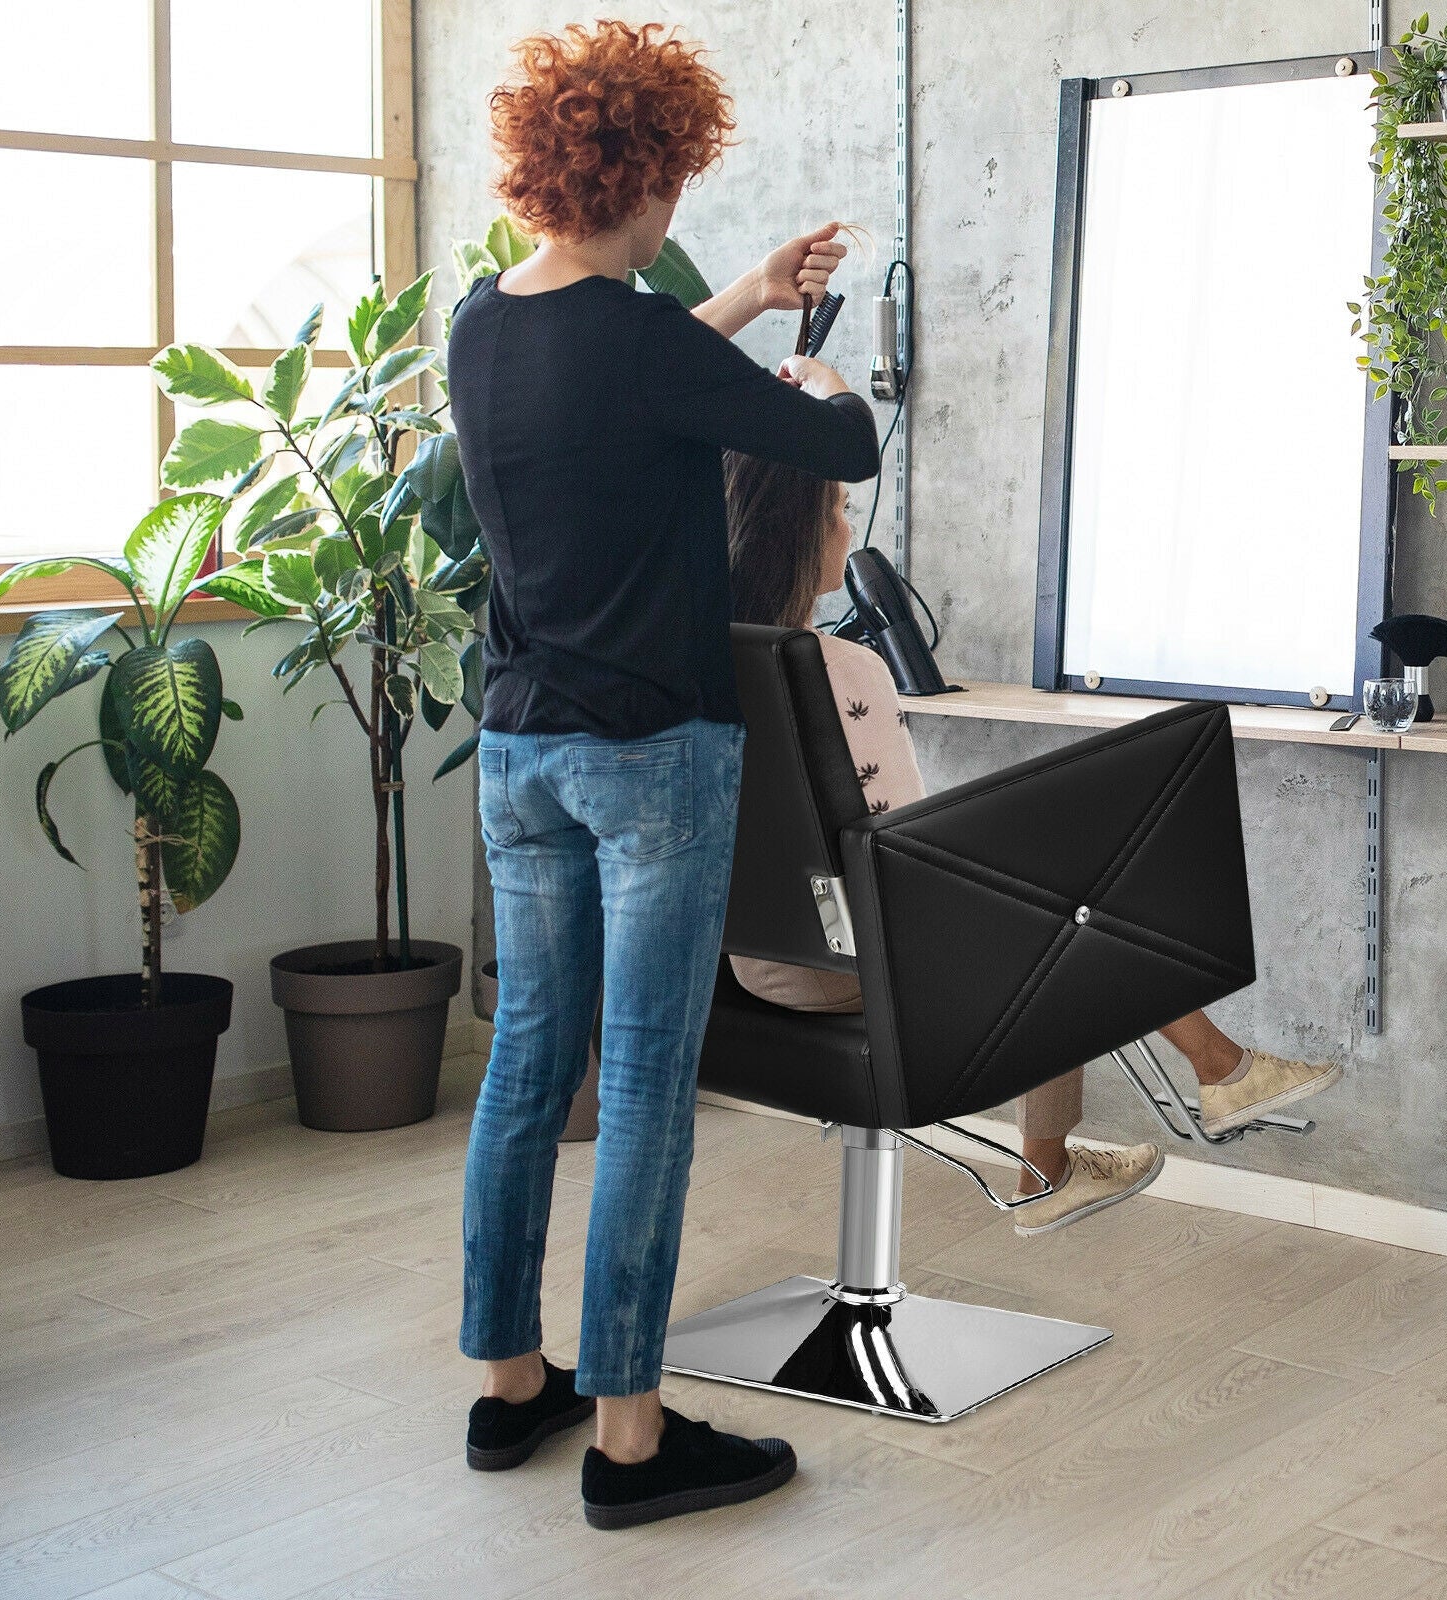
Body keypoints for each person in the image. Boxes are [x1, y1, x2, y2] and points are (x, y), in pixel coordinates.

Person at [446, 21, 881, 1531]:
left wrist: (754, 292)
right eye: (679, 181)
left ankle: (513, 1385)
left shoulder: (486, 324)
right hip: (653, 759)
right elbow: (847, 447)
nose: (680, 210)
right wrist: (818, 372)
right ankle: (632, 1436)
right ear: (637, 172)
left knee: (526, 1071)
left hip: (519, 753)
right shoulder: (634, 336)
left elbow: (619, 378)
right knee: (640, 1088)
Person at [724, 452, 1341, 1234]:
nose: (850, 529)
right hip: (861, 961)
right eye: (840, 511)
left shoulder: (703, 659)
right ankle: (1171, 1098)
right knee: (1065, 895)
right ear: (798, 537)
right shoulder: (842, 670)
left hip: (758, 967)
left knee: (1049, 890)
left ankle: (1138, 1118)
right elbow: (901, 848)